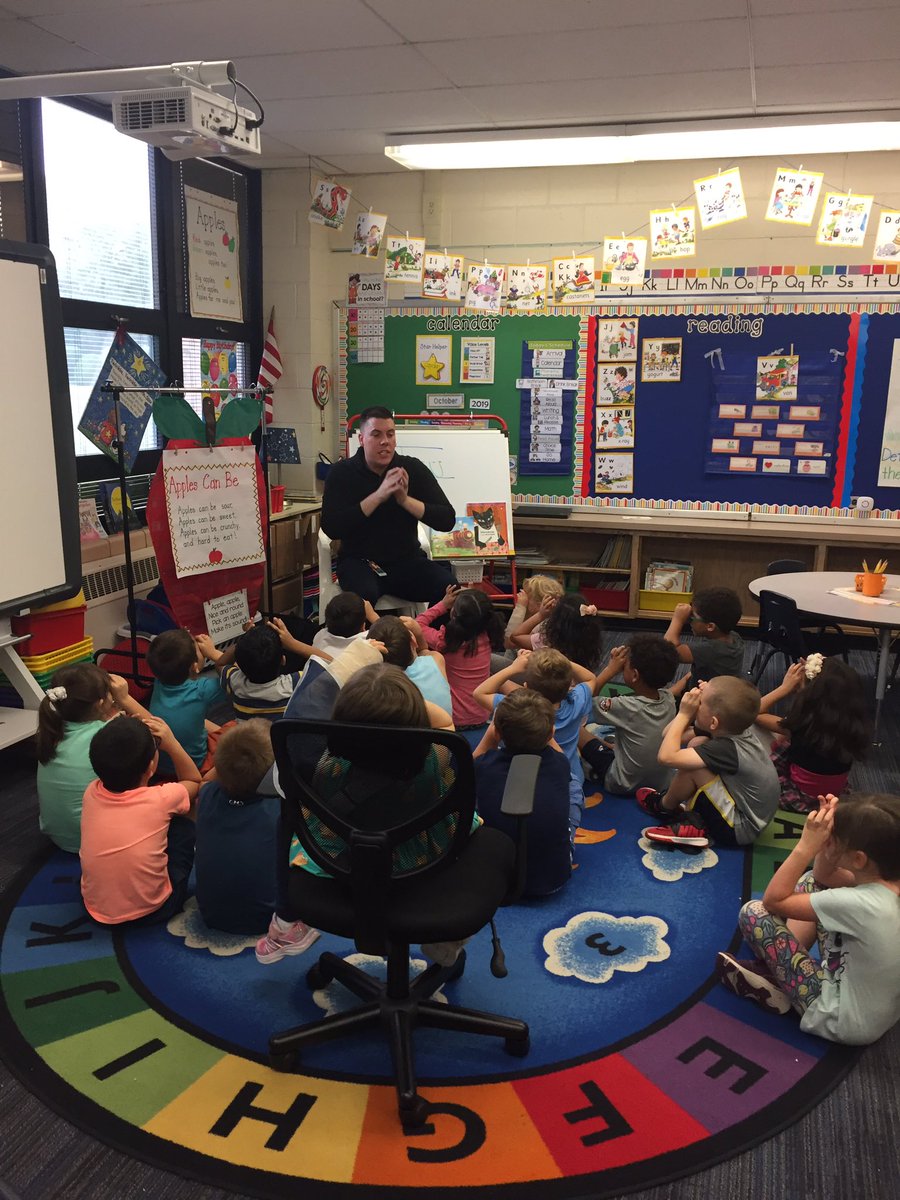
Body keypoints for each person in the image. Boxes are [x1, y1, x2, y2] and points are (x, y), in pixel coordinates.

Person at [257, 664, 475, 966]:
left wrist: (362, 709)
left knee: (288, 818)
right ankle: (445, 938)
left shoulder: (327, 768)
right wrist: (403, 704)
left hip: (341, 861)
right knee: (470, 818)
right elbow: (443, 722)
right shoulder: (434, 761)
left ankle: (285, 920)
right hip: (420, 864)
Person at [717, 794, 900, 1045]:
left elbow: (773, 901)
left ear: (859, 859)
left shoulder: (859, 904)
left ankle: (780, 986)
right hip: (872, 1009)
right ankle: (783, 972)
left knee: (753, 913)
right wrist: (832, 841)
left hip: (837, 1018)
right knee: (812, 885)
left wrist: (807, 846)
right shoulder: (886, 883)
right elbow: (822, 876)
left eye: (839, 842)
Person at [320, 405, 455, 606]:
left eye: (390, 435)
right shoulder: (342, 473)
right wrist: (378, 496)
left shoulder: (411, 468)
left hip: (406, 561)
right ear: (362, 439)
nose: (385, 441)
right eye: (376, 435)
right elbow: (331, 527)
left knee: (449, 589)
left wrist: (404, 501)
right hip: (360, 562)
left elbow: (447, 519)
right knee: (363, 595)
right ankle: (370, 638)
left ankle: (429, 636)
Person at [80, 715, 201, 926]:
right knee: (185, 818)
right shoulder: (161, 799)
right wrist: (172, 745)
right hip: (156, 909)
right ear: (151, 767)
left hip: (96, 910)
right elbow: (194, 781)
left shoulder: (91, 791)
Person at [637, 676, 779, 850]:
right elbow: (669, 735)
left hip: (739, 829)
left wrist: (684, 713)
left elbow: (666, 756)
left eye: (700, 702)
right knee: (698, 744)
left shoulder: (726, 747)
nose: (696, 702)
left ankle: (665, 807)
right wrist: (709, 698)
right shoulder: (733, 726)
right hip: (747, 813)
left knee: (694, 768)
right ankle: (681, 807)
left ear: (713, 722)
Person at [475, 647, 596, 841]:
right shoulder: (577, 701)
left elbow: (479, 693)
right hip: (567, 779)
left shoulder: (514, 709)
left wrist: (513, 667)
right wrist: (562, 662)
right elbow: (591, 679)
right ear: (568, 687)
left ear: (525, 687)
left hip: (513, 779)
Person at [35, 662, 152, 854]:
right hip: (98, 841)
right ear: (100, 703)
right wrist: (125, 698)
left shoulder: (51, 729)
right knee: (141, 767)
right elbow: (157, 731)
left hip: (59, 836)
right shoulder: (107, 735)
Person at [473, 689, 571, 896]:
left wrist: (493, 732)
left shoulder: (483, 766)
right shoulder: (560, 764)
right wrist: (545, 731)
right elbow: (560, 755)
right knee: (575, 792)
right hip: (554, 879)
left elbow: (468, 765)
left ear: (497, 732)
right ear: (551, 734)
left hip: (496, 881)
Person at [194, 719, 281, 934]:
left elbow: (206, 781)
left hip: (210, 912)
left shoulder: (206, 795)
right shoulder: (282, 809)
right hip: (268, 919)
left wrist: (224, 763)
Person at [756, 657, 870, 812]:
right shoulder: (853, 727)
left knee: (769, 738)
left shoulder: (800, 726)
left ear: (811, 694)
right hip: (834, 798)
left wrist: (784, 688)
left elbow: (755, 713)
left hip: (797, 798)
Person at [579, 634, 679, 795]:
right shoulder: (668, 699)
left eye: (625, 666)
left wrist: (610, 670)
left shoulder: (625, 706)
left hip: (622, 783)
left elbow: (584, 703)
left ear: (634, 675)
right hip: (660, 783)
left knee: (576, 727)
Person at [416, 583, 506, 731]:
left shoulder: (445, 641)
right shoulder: (488, 636)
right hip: (482, 715)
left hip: (454, 719)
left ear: (454, 614)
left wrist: (442, 604)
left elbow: (417, 624)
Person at [147, 629, 226, 774]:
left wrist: (183, 638)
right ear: (195, 666)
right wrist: (214, 653)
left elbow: (169, 653)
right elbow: (238, 678)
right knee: (233, 728)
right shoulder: (201, 690)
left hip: (160, 766)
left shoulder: (159, 679)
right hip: (194, 765)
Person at [197, 624, 303, 722]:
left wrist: (246, 641)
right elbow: (319, 660)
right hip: (282, 740)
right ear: (283, 660)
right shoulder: (294, 684)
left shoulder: (236, 683)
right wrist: (293, 643)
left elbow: (220, 664)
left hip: (248, 739)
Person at [368, 614, 453, 716]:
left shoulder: (373, 688)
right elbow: (424, 650)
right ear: (413, 641)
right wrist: (419, 634)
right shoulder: (436, 660)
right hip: (444, 730)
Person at [664, 587, 744, 690]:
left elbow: (667, 651)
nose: (689, 620)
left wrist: (677, 619)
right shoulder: (734, 637)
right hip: (719, 689)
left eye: (692, 617)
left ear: (710, 626)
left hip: (705, 700)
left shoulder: (711, 650)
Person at [510, 592, 604, 671]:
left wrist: (540, 615)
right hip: (577, 688)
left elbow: (515, 636)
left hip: (543, 687)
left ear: (556, 620)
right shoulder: (589, 641)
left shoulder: (548, 641)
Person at [311, 592, 377, 660]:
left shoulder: (320, 637)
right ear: (363, 627)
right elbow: (387, 632)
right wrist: (372, 614)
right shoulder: (369, 643)